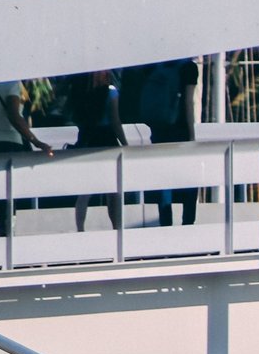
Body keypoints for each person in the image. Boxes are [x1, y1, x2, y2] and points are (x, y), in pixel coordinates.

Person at [0, 80, 53, 239]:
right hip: (9, 143)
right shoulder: (10, 84)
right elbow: (14, 115)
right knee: (8, 193)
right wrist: (35, 141)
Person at [139, 58, 201, 226]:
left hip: (159, 130)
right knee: (190, 178)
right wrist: (192, 134)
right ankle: (188, 223)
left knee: (164, 178)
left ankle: (165, 223)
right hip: (180, 130)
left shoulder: (158, 65)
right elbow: (189, 101)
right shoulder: (189, 67)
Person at [68, 71, 128, 232]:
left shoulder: (82, 91)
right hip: (107, 140)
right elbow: (115, 120)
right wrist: (125, 144)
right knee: (113, 191)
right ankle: (116, 228)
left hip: (88, 140)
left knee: (85, 190)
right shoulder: (111, 92)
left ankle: (80, 229)